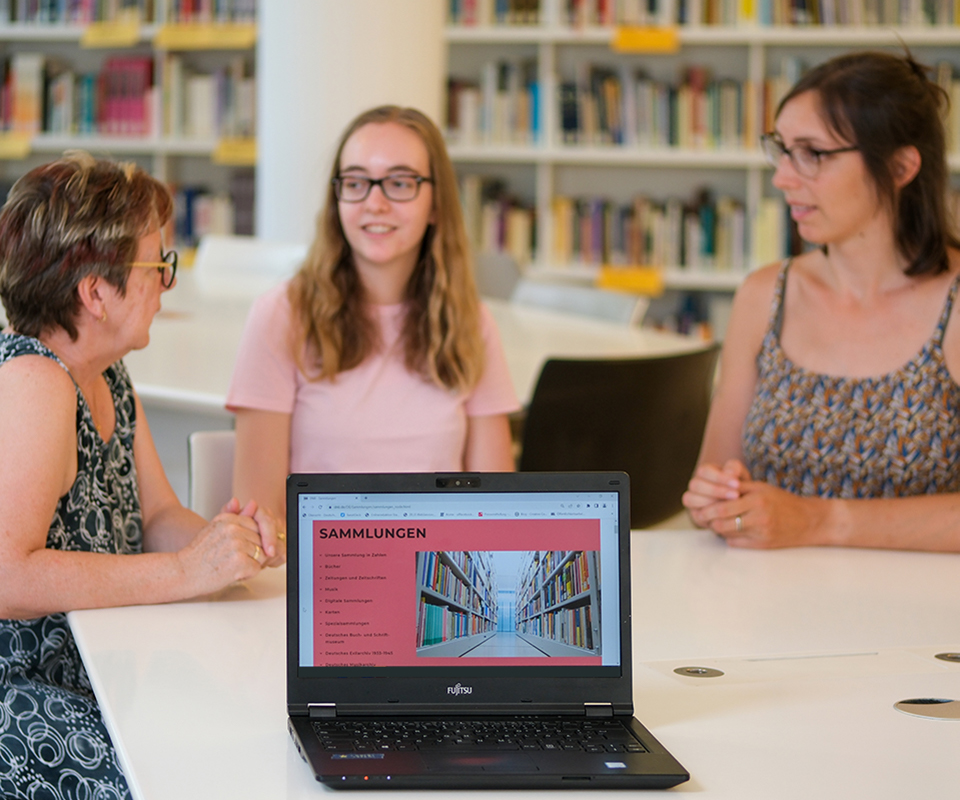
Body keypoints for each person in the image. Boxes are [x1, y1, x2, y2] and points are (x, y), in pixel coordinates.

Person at [0, 152, 284, 800]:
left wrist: (227, 543)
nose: (167, 284)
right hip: (28, 705)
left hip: (105, 668)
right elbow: (8, 576)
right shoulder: (34, 381)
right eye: (159, 267)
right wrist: (189, 572)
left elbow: (156, 517)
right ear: (95, 293)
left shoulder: (104, 371)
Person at [682, 50, 960, 551]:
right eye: (781, 150)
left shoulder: (955, 304)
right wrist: (714, 499)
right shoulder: (763, 295)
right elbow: (716, 470)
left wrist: (816, 521)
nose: (782, 178)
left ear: (900, 166)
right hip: (768, 609)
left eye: (812, 153)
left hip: (920, 621)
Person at [228, 105, 520, 521]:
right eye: (356, 182)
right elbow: (260, 522)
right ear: (337, 199)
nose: (375, 202)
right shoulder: (281, 316)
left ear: (436, 204)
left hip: (438, 574)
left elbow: (496, 509)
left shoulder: (470, 322)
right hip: (324, 575)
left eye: (400, 183)